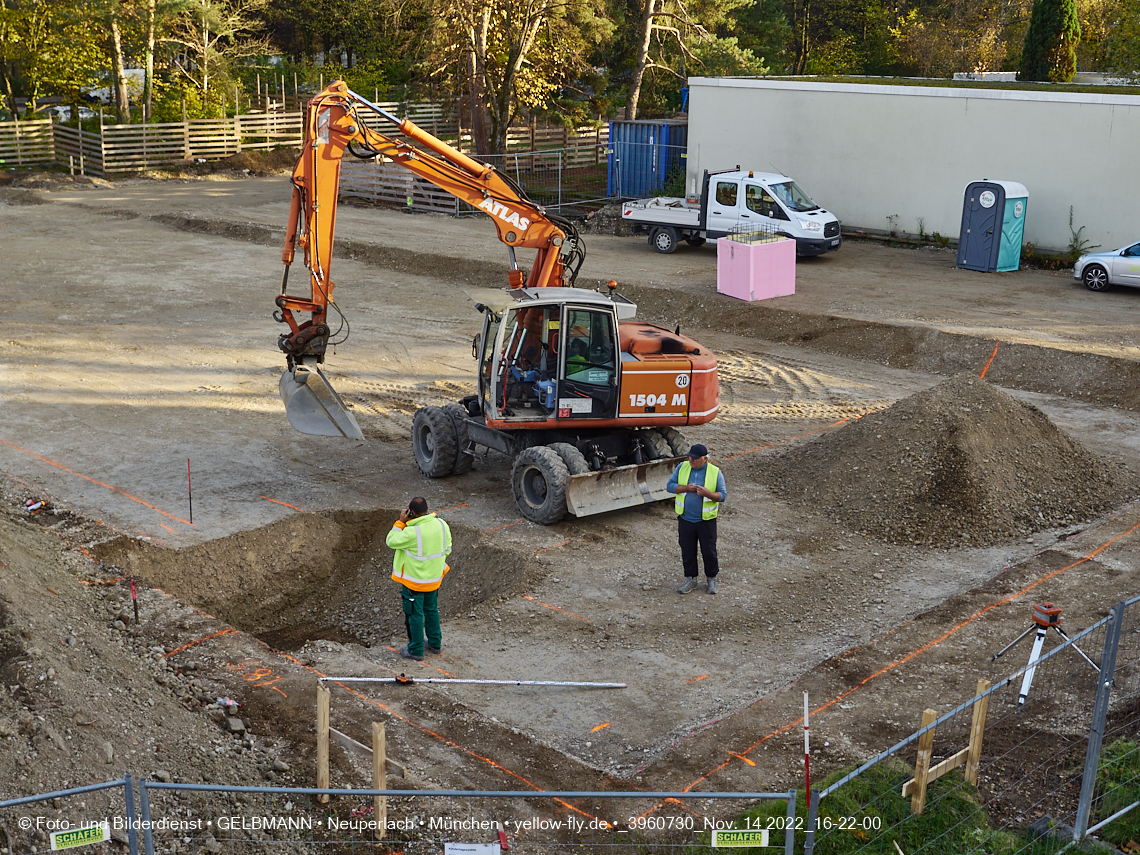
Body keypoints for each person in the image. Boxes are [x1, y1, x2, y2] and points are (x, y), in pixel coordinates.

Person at [386, 496, 452, 660]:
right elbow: (448, 549)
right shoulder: (442, 525)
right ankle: (435, 644)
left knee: (414, 615)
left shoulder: (411, 532)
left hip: (414, 582)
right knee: (431, 610)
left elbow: (391, 541)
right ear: (427, 509)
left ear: (412, 513)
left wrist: (400, 522)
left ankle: (415, 650)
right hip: (434, 579)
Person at [666, 444, 726, 594]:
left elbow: (722, 496)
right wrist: (686, 488)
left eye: (694, 458)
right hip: (686, 520)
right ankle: (691, 579)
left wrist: (708, 494)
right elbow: (670, 486)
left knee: (709, 551)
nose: (690, 459)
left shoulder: (715, 472)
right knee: (687, 550)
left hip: (706, 521)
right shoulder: (682, 467)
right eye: (690, 456)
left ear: (704, 459)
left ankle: (711, 579)